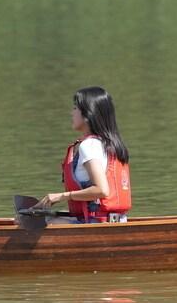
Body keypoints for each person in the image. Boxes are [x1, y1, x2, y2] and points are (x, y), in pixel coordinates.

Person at [38, 86, 131, 223]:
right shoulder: (109, 144)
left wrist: (62, 196)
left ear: (88, 115)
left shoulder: (89, 146)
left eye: (75, 108)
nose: (71, 113)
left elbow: (101, 190)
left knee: (28, 222)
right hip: (115, 221)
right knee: (50, 217)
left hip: (95, 223)